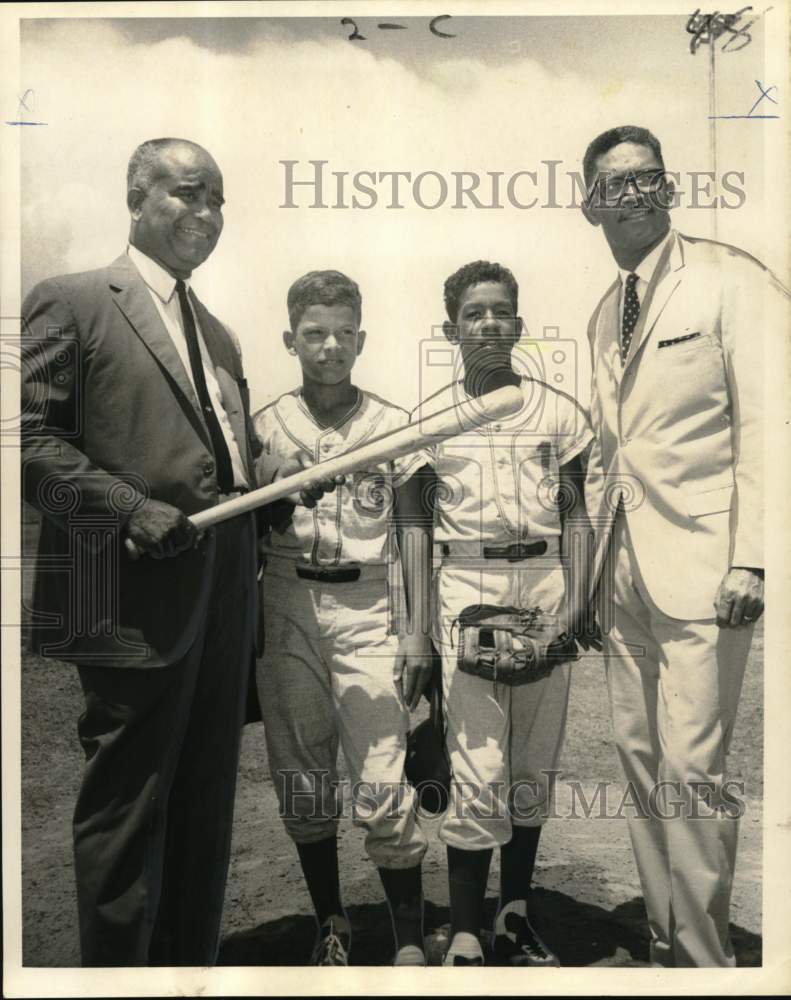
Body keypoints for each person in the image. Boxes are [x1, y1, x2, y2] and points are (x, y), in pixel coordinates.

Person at [20, 137, 334, 966]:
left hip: (224, 601)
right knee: (126, 810)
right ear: (136, 197)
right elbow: (31, 448)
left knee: (205, 807)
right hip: (122, 597)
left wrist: (279, 478)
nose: (207, 214)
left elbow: (226, 462)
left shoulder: (219, 334)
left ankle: (187, 975)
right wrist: (128, 509)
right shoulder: (73, 300)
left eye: (218, 200)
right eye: (189, 195)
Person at [580, 124, 788, 966]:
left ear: (667, 189)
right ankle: (665, 945)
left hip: (706, 570)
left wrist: (754, 556)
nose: (631, 193)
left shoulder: (728, 281)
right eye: (613, 182)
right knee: (638, 764)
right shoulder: (602, 310)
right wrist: (594, 576)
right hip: (623, 572)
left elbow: (770, 424)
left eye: (647, 178)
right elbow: (607, 452)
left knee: (693, 770)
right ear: (588, 201)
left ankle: (707, 964)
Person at [412, 260, 597, 966]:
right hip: (467, 578)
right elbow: (411, 531)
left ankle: (512, 917)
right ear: (450, 327)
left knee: (530, 764)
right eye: (472, 313)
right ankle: (463, 928)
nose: (487, 323)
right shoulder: (427, 417)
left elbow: (577, 515)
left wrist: (577, 605)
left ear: (518, 323)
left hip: (543, 578)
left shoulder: (556, 410)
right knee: (475, 764)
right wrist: (415, 632)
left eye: (500, 311)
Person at [252, 270, 433, 967]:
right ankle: (330, 920)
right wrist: (272, 475)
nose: (328, 347)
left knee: (384, 777)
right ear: (290, 339)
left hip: (368, 604)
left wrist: (416, 628)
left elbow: (413, 529)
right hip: (288, 600)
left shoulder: (392, 422)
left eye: (342, 334)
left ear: (361, 337)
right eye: (313, 334)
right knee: (302, 775)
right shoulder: (263, 421)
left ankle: (410, 939)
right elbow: (248, 518)